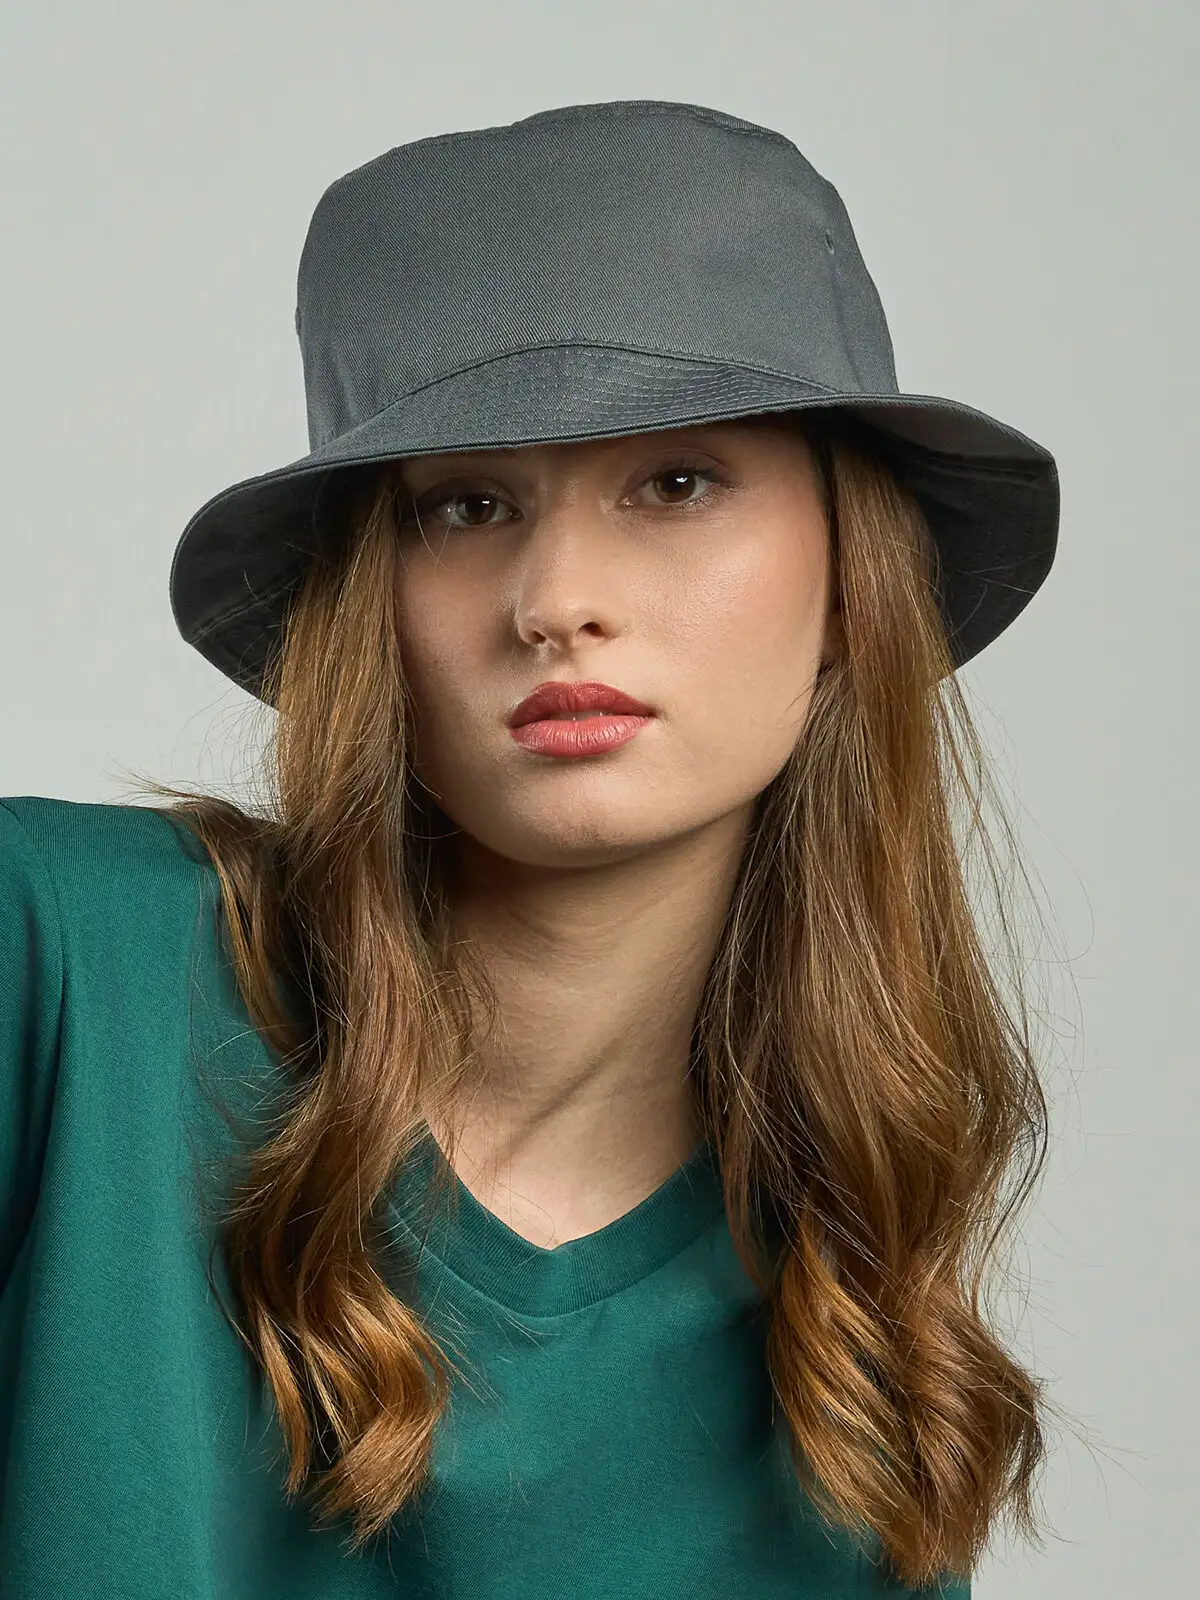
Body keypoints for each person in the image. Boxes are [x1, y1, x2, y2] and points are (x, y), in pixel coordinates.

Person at [0, 100, 1063, 1598]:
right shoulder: (61, 964)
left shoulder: (852, 1371)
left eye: (677, 483)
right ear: (369, 598)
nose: (557, 598)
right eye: (466, 506)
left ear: (849, 576)